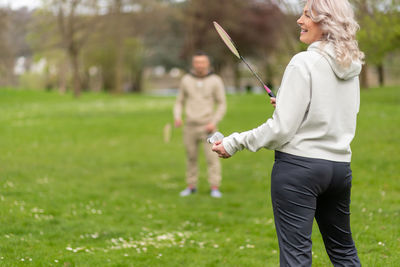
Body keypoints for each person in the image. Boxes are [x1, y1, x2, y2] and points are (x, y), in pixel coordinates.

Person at [212, 0, 364, 265]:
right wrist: (288, 103)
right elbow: (334, 112)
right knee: (344, 254)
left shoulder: (302, 62)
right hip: (339, 170)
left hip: (299, 171)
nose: (299, 20)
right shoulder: (350, 67)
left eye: (307, 15)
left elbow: (280, 129)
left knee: (296, 258)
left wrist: (234, 142)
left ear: (325, 22)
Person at [174, 51, 226, 198]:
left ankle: (214, 187)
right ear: (193, 64)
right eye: (197, 62)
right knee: (191, 157)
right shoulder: (186, 80)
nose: (199, 65)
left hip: (208, 127)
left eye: (202, 62)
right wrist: (178, 116)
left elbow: (222, 104)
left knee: (213, 158)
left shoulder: (215, 80)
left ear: (207, 63)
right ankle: (191, 186)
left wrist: (214, 122)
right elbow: (179, 101)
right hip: (190, 126)